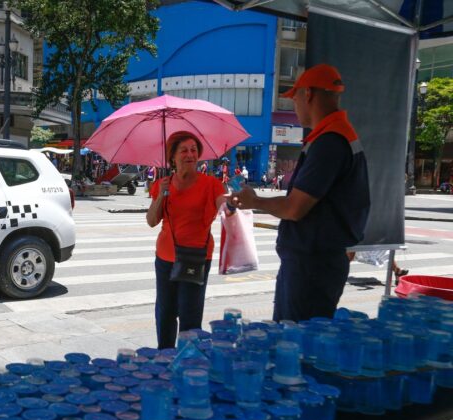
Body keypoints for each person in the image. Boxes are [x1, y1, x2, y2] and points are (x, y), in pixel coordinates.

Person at [229, 64, 370, 322]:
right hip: (314, 260)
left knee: (295, 343)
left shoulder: (330, 142)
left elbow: (295, 208)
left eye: (294, 98)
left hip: (313, 264)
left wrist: (255, 200)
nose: (293, 105)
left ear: (308, 95)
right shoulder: (332, 137)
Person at [147, 131, 231, 349]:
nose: (190, 154)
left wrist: (231, 204)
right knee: (165, 313)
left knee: (190, 316)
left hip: (196, 257)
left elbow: (224, 204)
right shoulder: (161, 184)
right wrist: (161, 196)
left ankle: (187, 363)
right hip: (165, 258)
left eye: (194, 150)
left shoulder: (210, 184)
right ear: (173, 157)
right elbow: (151, 221)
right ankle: (164, 358)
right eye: (183, 150)